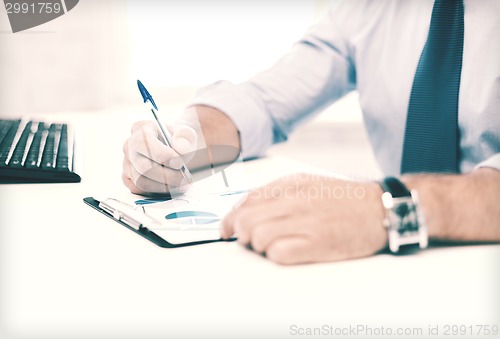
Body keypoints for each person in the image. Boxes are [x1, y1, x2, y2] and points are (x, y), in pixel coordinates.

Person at [122, 0, 500, 264]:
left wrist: (387, 207)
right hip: (401, 269)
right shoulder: (370, 9)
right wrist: (184, 140)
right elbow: (263, 102)